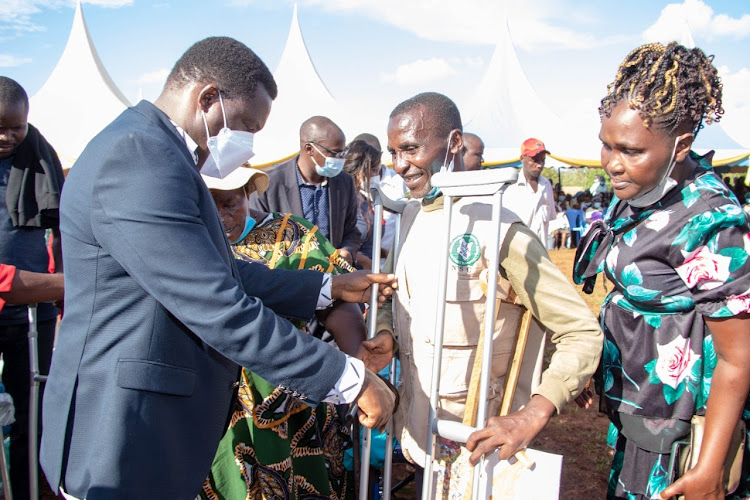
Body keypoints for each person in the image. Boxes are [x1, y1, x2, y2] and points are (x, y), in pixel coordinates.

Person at [39, 37, 397, 499]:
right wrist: (347, 379)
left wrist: (328, 287)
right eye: (246, 124)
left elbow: (226, 272)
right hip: (123, 432)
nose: (247, 143)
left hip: (152, 427)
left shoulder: (159, 154)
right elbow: (218, 305)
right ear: (208, 98)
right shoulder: (138, 157)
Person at [377, 92, 602, 494]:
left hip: (483, 443)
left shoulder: (497, 226)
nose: (399, 165)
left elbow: (580, 330)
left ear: (453, 143)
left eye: (410, 149)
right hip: (422, 429)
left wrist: (533, 413)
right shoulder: (409, 216)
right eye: (393, 152)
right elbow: (393, 296)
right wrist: (384, 334)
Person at [573, 42, 750, 499]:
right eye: (606, 145)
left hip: (683, 437)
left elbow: (738, 358)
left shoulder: (709, 221)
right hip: (640, 414)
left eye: (630, 150)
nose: (611, 163)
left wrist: (710, 469)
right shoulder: (638, 189)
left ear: (681, 145)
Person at [200, 165, 390, 499]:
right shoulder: (188, 242)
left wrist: (361, 369)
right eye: (207, 205)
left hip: (295, 399)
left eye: (230, 203)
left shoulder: (290, 235)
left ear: (247, 193)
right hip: (218, 405)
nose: (220, 216)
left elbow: (338, 302)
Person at [0, 76, 64, 499]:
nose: (6, 136)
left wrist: (60, 297)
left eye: (15, 127)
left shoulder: (40, 159)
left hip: (32, 313)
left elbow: (64, 233)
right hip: (10, 292)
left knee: (33, 416)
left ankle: (30, 491)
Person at [251, 116, 361, 265]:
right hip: (289, 278)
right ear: (309, 149)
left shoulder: (344, 182)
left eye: (342, 154)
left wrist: (347, 251)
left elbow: (351, 230)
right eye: (334, 153)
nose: (339, 159)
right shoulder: (269, 184)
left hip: (334, 277)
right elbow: (257, 240)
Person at [351, 132, 407, 259]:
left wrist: (387, 256)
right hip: (360, 269)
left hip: (387, 263)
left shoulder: (400, 180)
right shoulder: (349, 196)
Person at [503, 137, 557, 249]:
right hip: (517, 253)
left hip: (541, 253)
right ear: (522, 159)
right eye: (535, 160)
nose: (540, 165)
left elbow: (549, 220)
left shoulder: (546, 185)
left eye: (543, 160)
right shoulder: (510, 187)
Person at [343, 139, 383, 270]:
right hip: (352, 275)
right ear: (361, 171)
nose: (377, 176)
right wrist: (367, 263)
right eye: (375, 170)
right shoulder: (345, 201)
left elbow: (367, 243)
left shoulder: (365, 199)